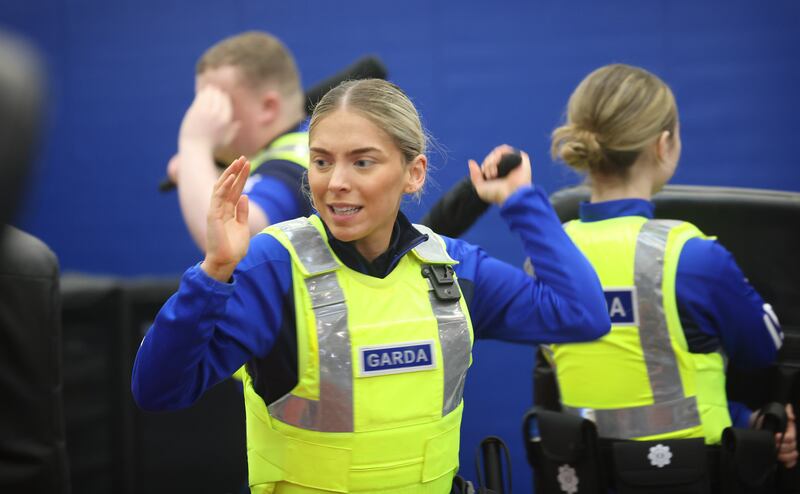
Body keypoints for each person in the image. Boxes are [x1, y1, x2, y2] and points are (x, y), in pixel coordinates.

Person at [132, 78, 610, 493]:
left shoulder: (451, 269)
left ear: (413, 173)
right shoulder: (272, 267)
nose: (336, 181)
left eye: (362, 162)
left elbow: (581, 313)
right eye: (321, 162)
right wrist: (215, 269)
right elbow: (158, 390)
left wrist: (521, 201)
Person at [541, 63, 796, 467]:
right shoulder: (694, 258)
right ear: (663, 145)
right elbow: (762, 349)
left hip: (585, 471)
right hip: (698, 472)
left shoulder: (545, 258)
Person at [169, 31, 311, 252]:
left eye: (215, 104)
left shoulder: (290, 168)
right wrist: (199, 170)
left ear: (268, 108)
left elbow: (226, 241)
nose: (205, 115)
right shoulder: (308, 141)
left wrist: (194, 143)